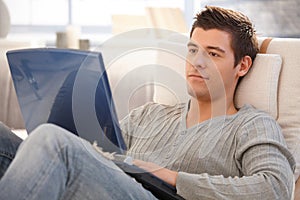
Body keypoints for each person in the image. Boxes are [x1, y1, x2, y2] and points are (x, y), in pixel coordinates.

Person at [0, 6, 296, 200]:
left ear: (242, 66)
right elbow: (96, 157)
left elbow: (275, 188)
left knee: (54, 142)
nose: (198, 62)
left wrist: (169, 176)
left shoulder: (252, 124)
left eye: (214, 54)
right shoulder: (149, 115)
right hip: (109, 185)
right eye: (193, 50)